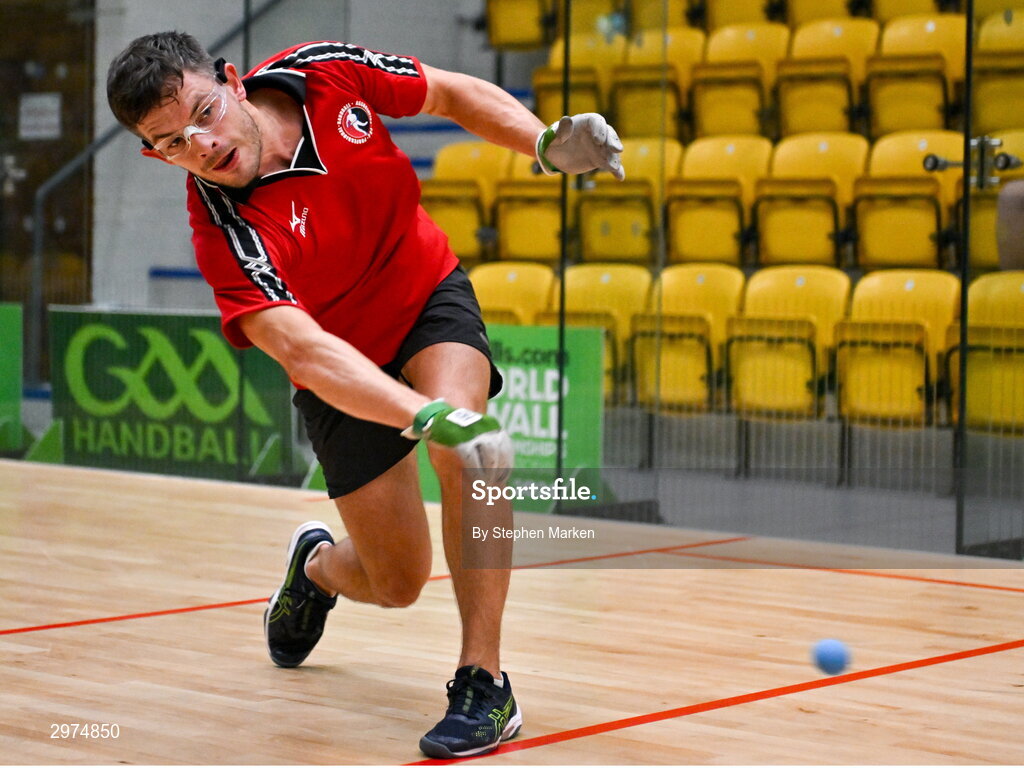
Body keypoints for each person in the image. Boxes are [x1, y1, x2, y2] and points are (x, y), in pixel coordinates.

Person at [106, 32, 624, 758]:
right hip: (341, 363)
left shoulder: (322, 73)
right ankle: (317, 568)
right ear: (152, 153)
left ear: (232, 81)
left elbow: (448, 92)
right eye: (170, 143)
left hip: (423, 295)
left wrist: (542, 145)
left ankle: (484, 682)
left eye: (204, 112)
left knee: (472, 453)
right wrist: (425, 417)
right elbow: (303, 351)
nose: (201, 145)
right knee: (396, 581)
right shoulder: (222, 230)